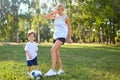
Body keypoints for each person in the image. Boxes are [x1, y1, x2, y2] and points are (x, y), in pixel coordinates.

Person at [44, 3, 72, 76]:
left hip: (62, 36)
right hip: (55, 36)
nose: (58, 10)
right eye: (57, 9)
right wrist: (53, 12)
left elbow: (69, 27)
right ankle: (61, 69)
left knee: (52, 50)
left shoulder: (66, 17)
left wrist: (69, 37)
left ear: (63, 9)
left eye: (59, 9)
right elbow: (45, 17)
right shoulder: (56, 16)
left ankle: (52, 69)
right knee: (57, 53)